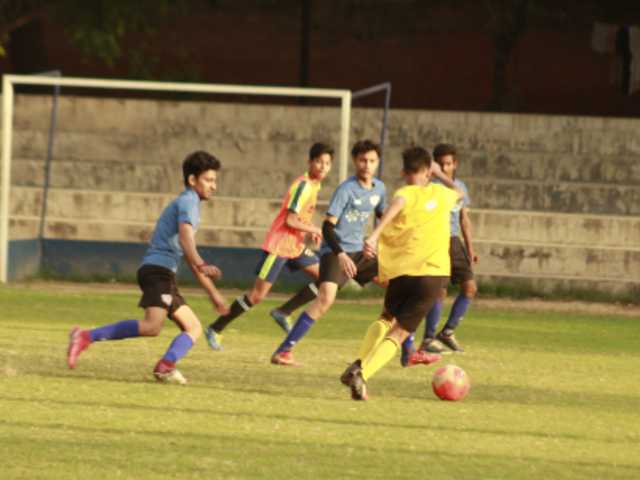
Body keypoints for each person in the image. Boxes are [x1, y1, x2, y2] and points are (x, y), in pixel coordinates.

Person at [66, 151, 228, 384]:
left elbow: (189, 257)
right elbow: (186, 239)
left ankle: (166, 366)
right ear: (193, 180)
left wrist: (213, 294)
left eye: (215, 180)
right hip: (157, 272)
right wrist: (203, 264)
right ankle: (85, 337)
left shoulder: (189, 203)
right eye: (209, 180)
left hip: (163, 273)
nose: (214, 186)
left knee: (193, 327)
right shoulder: (189, 201)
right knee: (152, 326)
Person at [341, 146, 464, 400]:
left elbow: (393, 209)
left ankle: (358, 364)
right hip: (432, 276)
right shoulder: (441, 193)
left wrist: (373, 236)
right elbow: (459, 192)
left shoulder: (404, 193)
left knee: (386, 317)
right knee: (399, 333)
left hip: (402, 272)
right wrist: (439, 174)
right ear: (428, 170)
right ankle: (362, 375)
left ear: (403, 171)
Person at [204, 143, 333, 350]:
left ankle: (283, 312)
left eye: (327, 163)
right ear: (310, 162)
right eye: (319, 162)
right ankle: (215, 328)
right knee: (256, 296)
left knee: (325, 278)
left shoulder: (315, 184)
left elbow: (300, 217)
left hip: (295, 245)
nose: (323, 167)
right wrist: (314, 230)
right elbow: (290, 220)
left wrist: (308, 229)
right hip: (279, 245)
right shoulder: (303, 186)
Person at [270, 139, 386, 366]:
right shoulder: (346, 189)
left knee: (398, 285)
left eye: (372, 161)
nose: (367, 165)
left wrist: (378, 243)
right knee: (325, 299)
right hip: (335, 251)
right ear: (355, 161)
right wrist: (341, 254)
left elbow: (383, 217)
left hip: (360, 251)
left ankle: (406, 346)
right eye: (362, 160)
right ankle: (284, 351)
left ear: (377, 163)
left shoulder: (379, 189)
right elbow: (327, 227)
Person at [402, 143, 477, 360]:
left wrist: (470, 248)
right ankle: (428, 338)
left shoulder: (459, 186)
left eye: (449, 164)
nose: (445, 168)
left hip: (454, 242)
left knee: (470, 288)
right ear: (433, 165)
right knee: (438, 291)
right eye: (440, 164)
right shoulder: (429, 185)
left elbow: (464, 219)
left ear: (455, 164)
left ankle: (448, 332)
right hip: (435, 240)